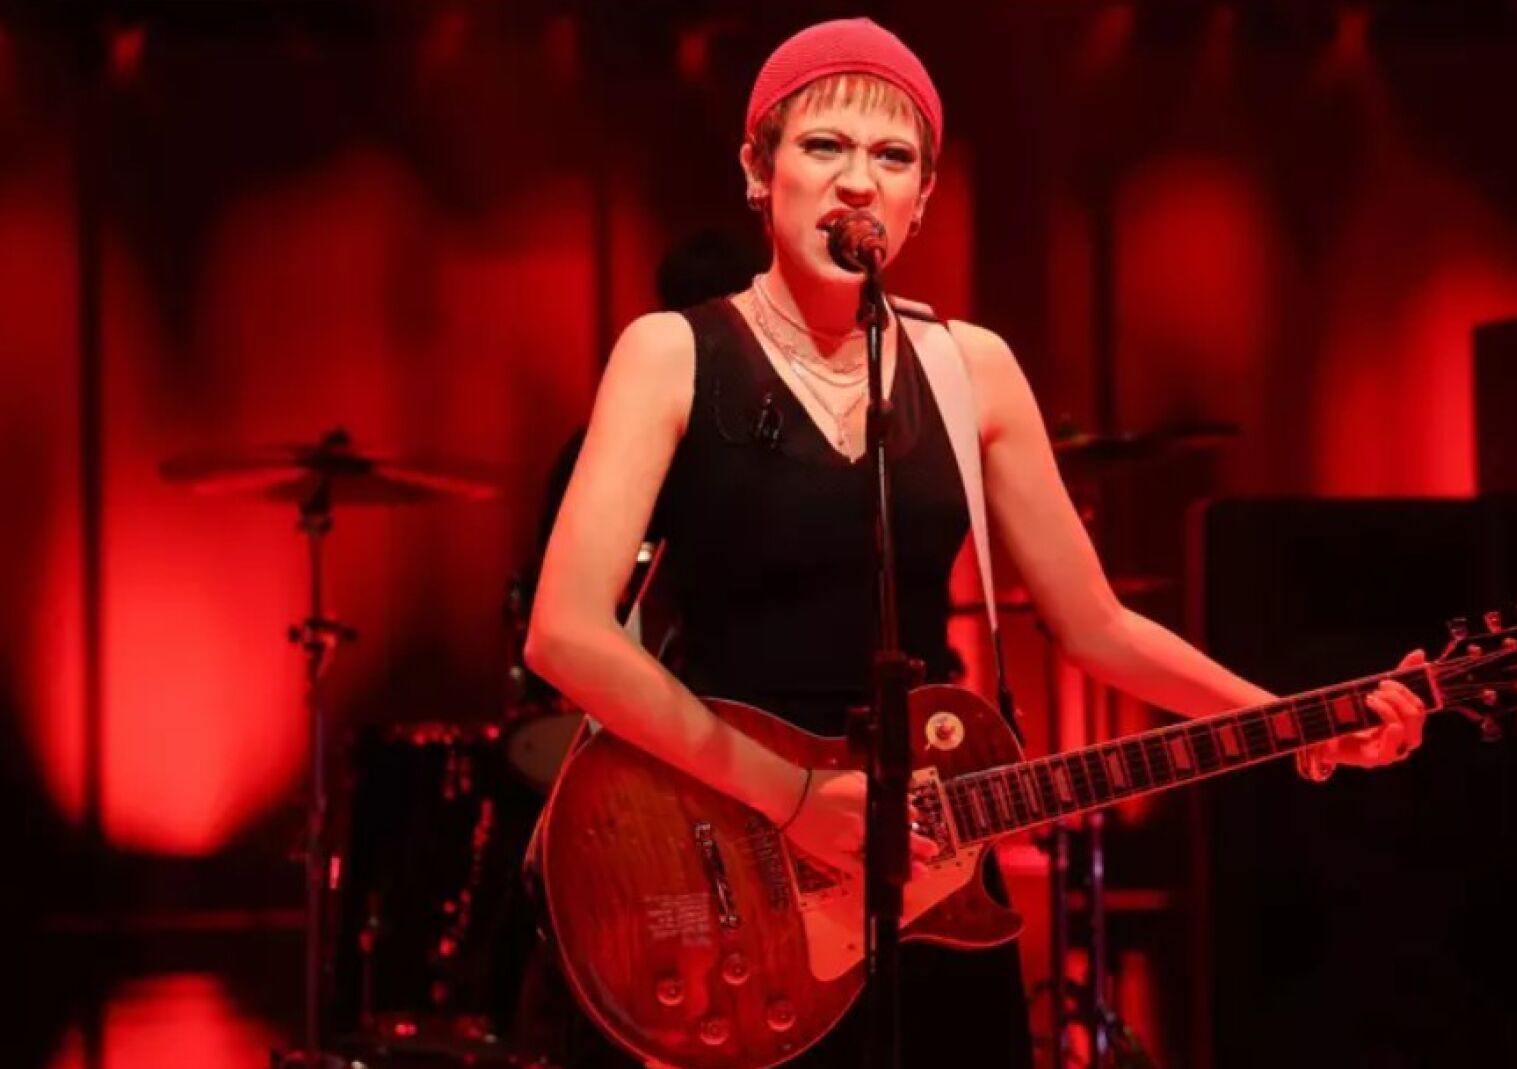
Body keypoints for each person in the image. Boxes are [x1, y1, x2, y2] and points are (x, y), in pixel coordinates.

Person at [524, 18, 1428, 1068]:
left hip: (932, 854)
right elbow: (565, 632)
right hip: (720, 836)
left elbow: (1095, 625)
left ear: (921, 199)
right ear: (758, 172)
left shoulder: (970, 369)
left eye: (891, 156)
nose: (857, 181)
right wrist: (795, 797)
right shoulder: (672, 353)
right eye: (823, 146)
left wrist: (1290, 718)